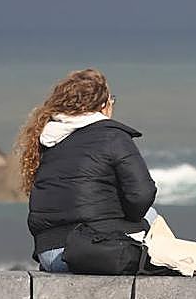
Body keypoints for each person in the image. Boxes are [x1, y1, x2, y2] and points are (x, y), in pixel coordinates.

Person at [16, 68, 157, 273]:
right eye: (111, 100)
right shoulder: (113, 136)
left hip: (49, 256)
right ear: (103, 105)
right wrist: (127, 215)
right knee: (151, 216)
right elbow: (142, 194)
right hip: (91, 253)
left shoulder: (49, 139)